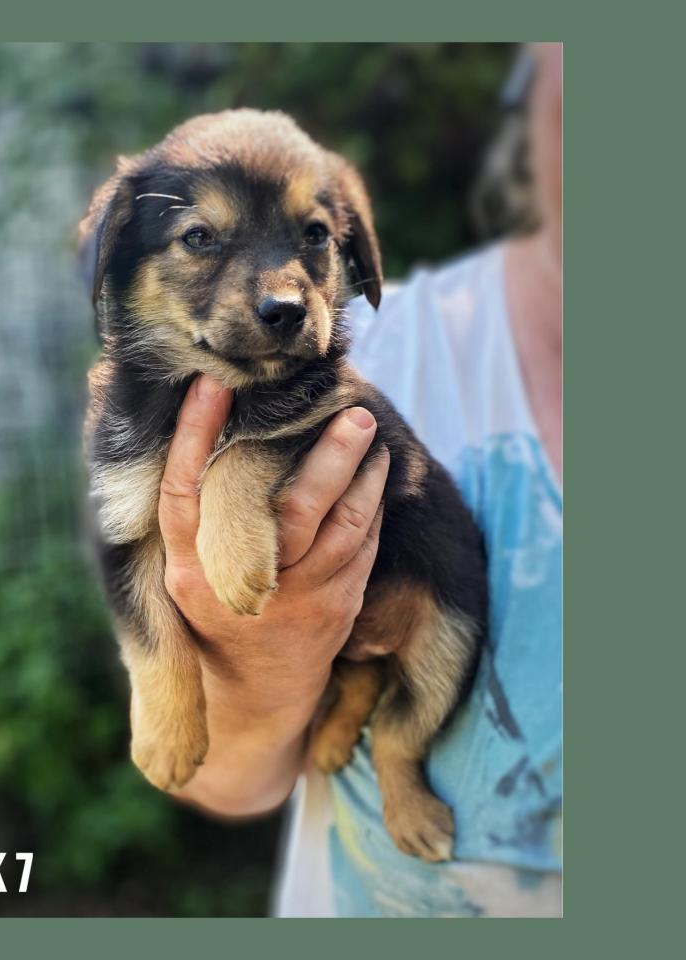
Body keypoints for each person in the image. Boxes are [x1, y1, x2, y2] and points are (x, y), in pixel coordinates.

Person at [159, 43, 562, 917]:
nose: (280, 288)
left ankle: (394, 751)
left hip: (426, 586)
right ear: (538, 70)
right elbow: (217, 775)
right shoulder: (367, 341)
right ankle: (371, 720)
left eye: (313, 237)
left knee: (443, 645)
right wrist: (264, 663)